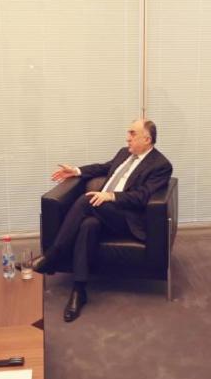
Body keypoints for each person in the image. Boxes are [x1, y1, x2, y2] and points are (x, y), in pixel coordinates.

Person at [33, 119, 172, 322]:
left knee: (87, 200)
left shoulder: (161, 165)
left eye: (132, 133)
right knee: (88, 225)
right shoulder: (124, 153)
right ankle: (79, 290)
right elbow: (103, 168)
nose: (128, 138)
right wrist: (76, 171)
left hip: (126, 218)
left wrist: (111, 196)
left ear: (147, 139)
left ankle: (53, 255)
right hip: (103, 212)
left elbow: (142, 196)